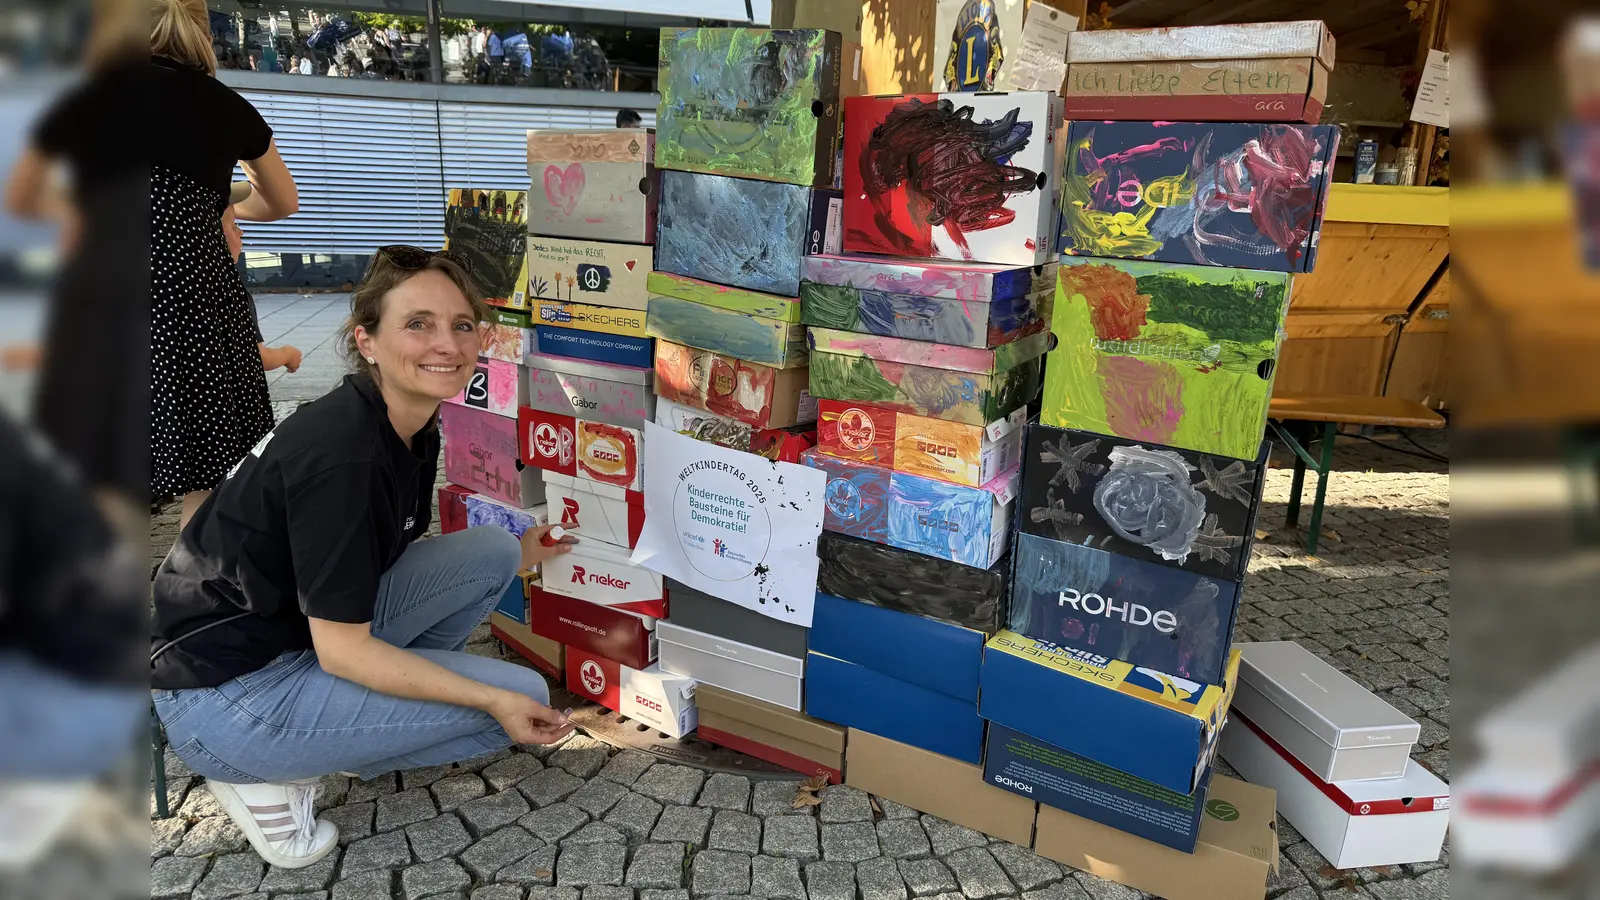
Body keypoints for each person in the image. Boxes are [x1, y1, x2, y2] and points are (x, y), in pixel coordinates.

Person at [150, 247, 579, 870]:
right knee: (516, 696)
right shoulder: (343, 455)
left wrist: (522, 554)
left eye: (462, 325)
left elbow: (364, 570)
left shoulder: (404, 419)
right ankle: (264, 775)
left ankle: (358, 723)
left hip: (279, 639)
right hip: (225, 699)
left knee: (491, 550)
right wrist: (486, 701)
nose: (446, 343)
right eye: (417, 323)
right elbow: (343, 650)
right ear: (367, 341)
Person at [146, 0, 300, 529]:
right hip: (191, 303)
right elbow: (281, 201)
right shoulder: (223, 106)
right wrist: (219, 200)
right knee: (209, 468)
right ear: (202, 34)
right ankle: (188, 592)